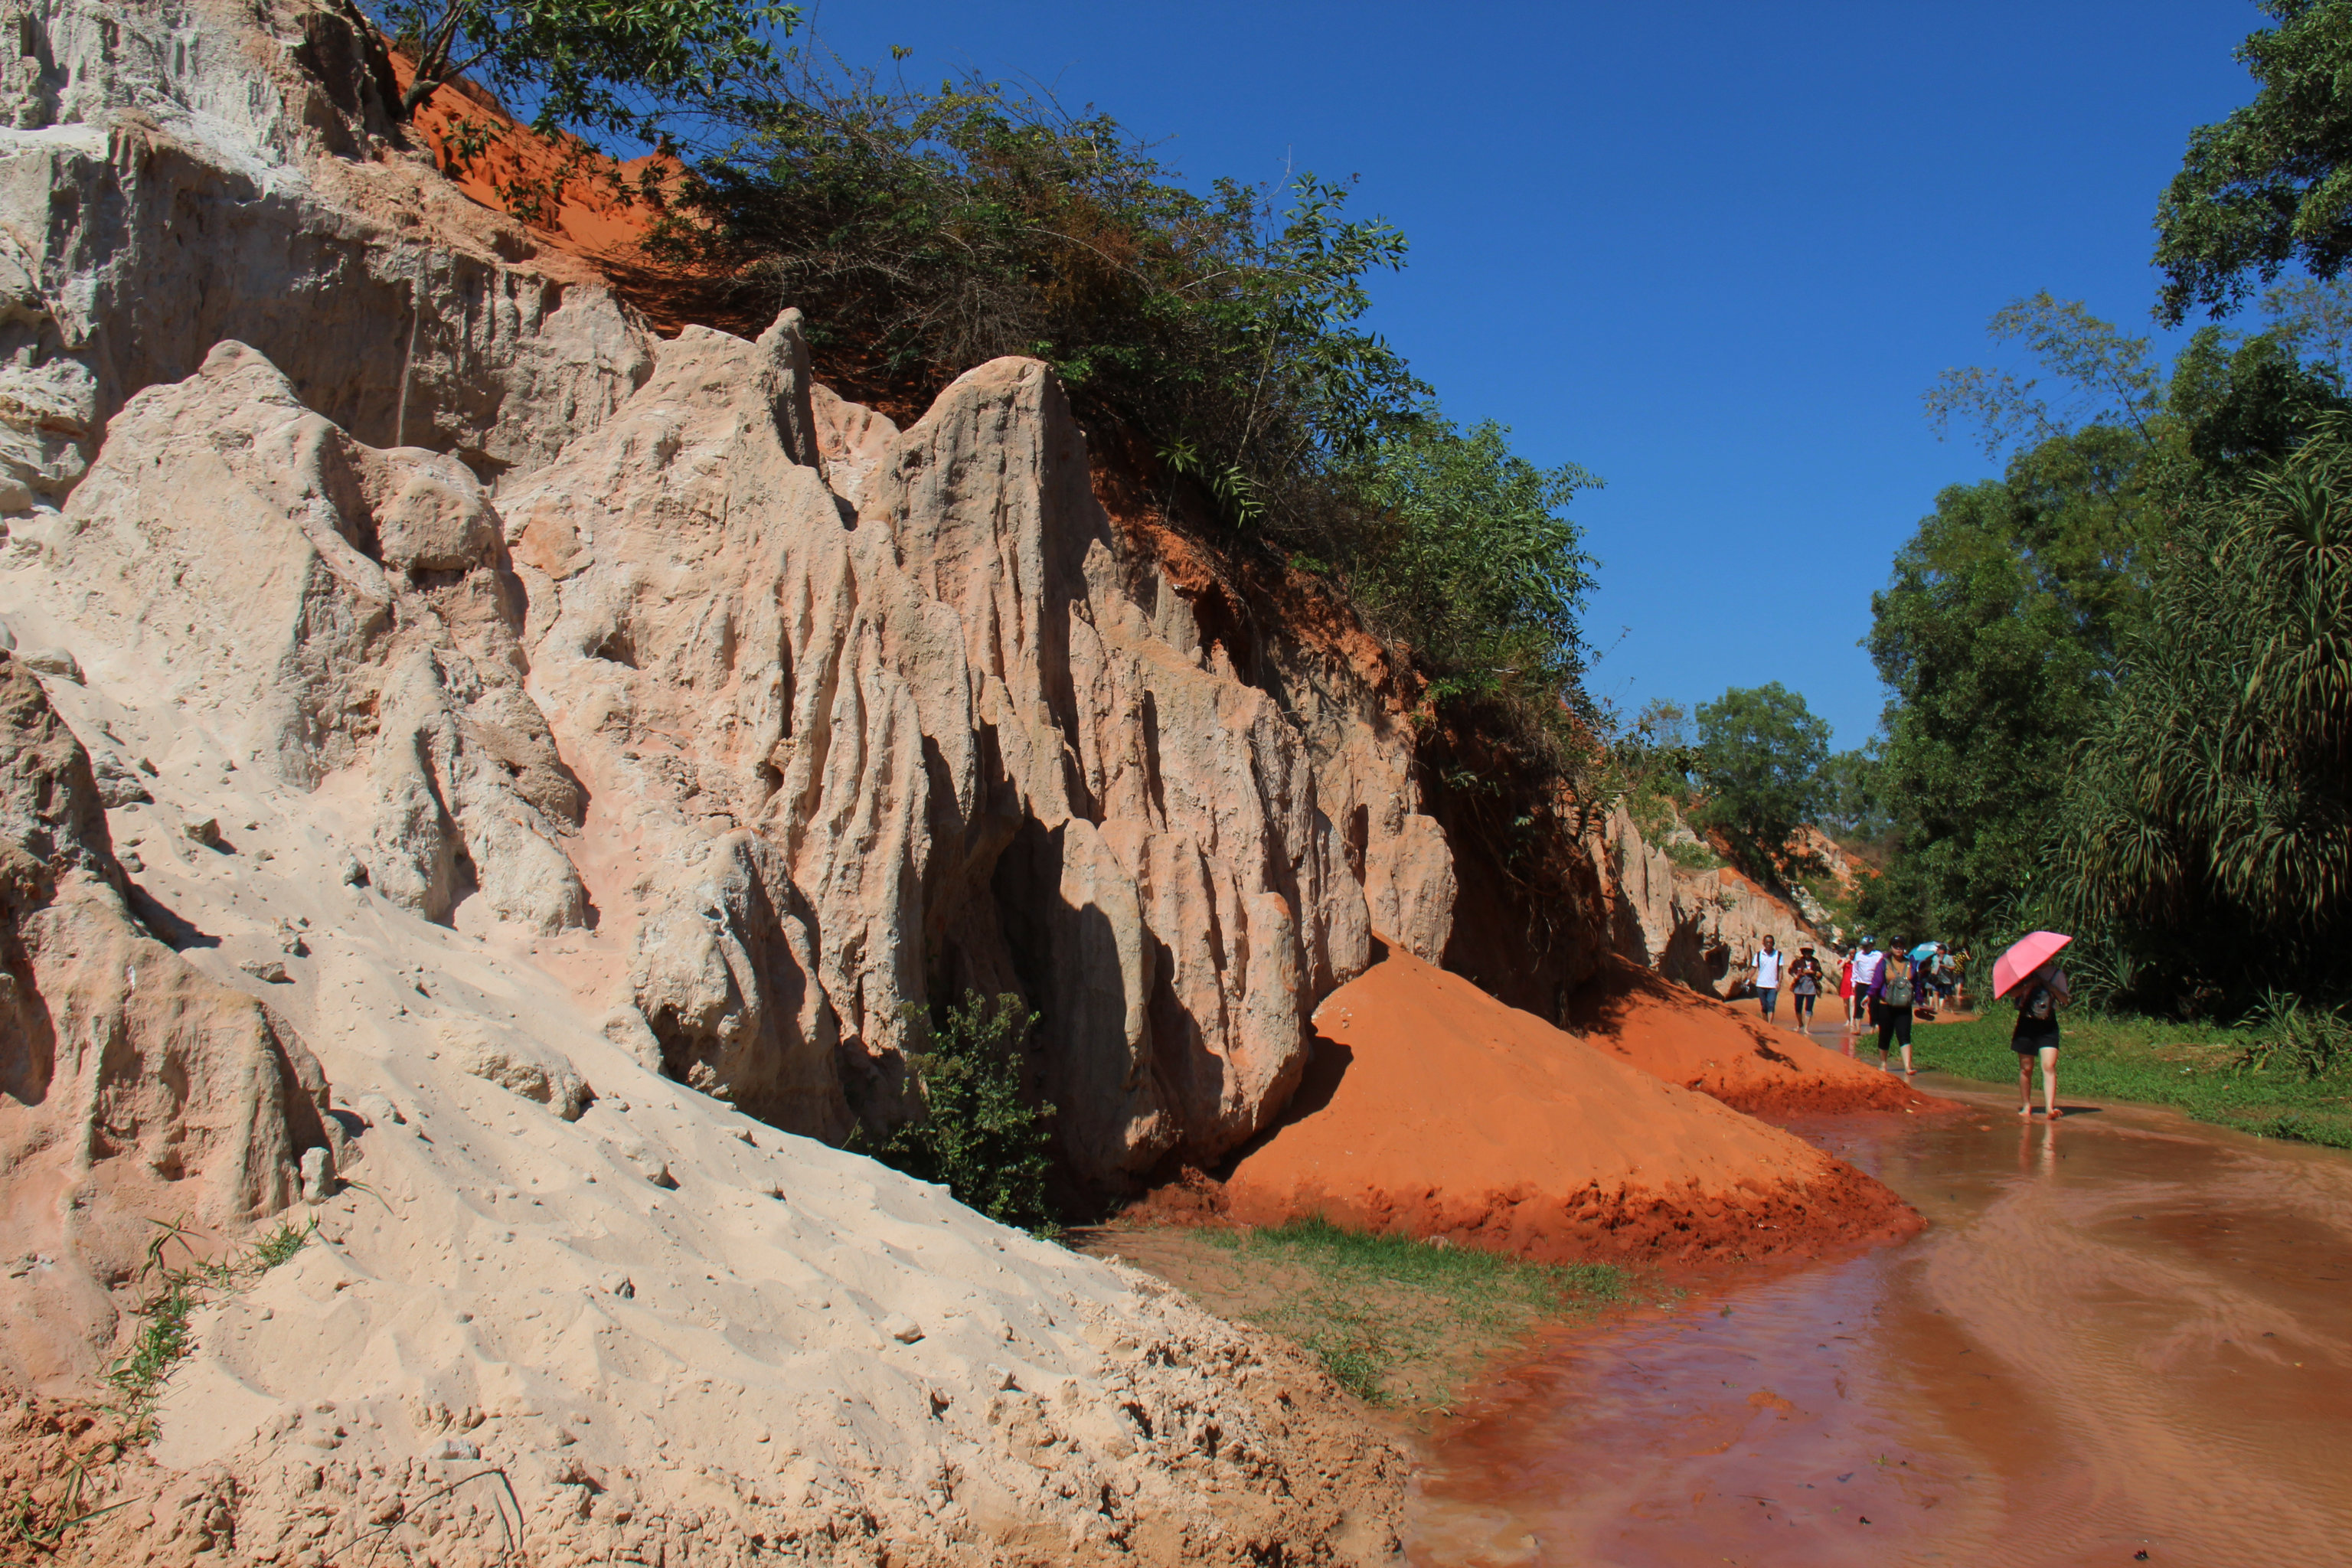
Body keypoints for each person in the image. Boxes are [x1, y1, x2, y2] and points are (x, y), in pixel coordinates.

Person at [2012, 959, 2071, 1117]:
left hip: (2048, 1025)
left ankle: (2050, 1108)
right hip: (2026, 1023)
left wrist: (2048, 985)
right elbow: (2012, 994)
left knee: (2049, 1065)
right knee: (2026, 1067)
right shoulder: (2024, 971)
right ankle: (2026, 1106)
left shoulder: (2057, 974)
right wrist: (2028, 985)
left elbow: (2065, 999)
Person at [1788, 945, 1823, 1031]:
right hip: (1799, 986)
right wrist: (1796, 976)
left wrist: (1813, 972)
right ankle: (1800, 1023)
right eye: (1806, 951)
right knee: (1798, 1007)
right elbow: (1791, 970)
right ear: (1803, 952)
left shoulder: (1815, 962)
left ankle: (1806, 1028)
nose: (1808, 953)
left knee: (1809, 1007)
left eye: (1810, 951)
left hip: (1811, 987)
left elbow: (1820, 974)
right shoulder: (1798, 962)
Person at [1752, 936, 1782, 1024]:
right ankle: (1765, 1024)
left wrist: (1779, 982)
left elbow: (1780, 970)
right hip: (1761, 984)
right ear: (1763, 943)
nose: (1769, 944)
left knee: (1771, 1004)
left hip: (1773, 985)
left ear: (1773, 943)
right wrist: (1748, 978)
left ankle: (1770, 1024)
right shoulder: (1758, 955)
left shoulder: (1778, 955)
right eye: (1767, 942)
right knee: (1764, 1006)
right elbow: (1754, 968)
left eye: (1771, 942)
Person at [1838, 949, 1856, 1031]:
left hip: (1854, 984)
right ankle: (1848, 1019)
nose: (1852, 955)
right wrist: (1845, 961)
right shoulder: (1843, 960)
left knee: (1852, 1002)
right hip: (1845, 983)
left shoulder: (1856, 962)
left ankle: (1852, 1021)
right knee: (1846, 1004)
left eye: (1853, 954)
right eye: (1850, 953)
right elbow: (1839, 968)